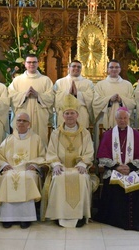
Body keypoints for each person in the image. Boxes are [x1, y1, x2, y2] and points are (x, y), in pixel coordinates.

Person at [41, 94, 98, 228]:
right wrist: (55, 164)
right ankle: (59, 215)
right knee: (58, 178)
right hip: (61, 167)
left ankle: (80, 216)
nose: (70, 116)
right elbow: (51, 152)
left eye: (72, 113)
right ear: (63, 115)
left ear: (77, 115)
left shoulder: (85, 133)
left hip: (79, 168)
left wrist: (83, 163)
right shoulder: (56, 133)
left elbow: (89, 152)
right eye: (67, 113)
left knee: (83, 178)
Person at [95, 107, 139, 231]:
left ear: (128, 119)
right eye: (120, 118)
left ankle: (135, 220)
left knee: (138, 182)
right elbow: (103, 155)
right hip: (113, 169)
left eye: (125, 118)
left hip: (133, 169)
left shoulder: (136, 134)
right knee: (113, 184)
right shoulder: (108, 135)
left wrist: (130, 167)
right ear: (115, 119)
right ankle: (115, 219)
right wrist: (117, 167)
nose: (122, 120)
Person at [0, 112, 46, 229]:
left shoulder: (36, 139)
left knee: (28, 177)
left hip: (29, 170)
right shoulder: (8, 139)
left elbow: (42, 156)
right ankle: (7, 217)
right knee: (8, 177)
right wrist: (4, 165)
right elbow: (0, 156)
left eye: (24, 121)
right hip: (11, 169)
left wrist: (35, 165)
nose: (21, 123)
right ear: (15, 123)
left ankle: (26, 218)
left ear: (29, 124)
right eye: (19, 120)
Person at [8, 54, 54, 147]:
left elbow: (51, 98)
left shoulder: (45, 80)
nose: (31, 64)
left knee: (40, 141)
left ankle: (40, 160)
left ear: (38, 64)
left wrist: (38, 95)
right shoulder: (17, 80)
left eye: (34, 62)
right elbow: (11, 96)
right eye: (29, 62)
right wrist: (24, 95)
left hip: (39, 117)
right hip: (23, 114)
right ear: (25, 64)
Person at [93, 59, 136, 129]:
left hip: (123, 119)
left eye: (116, 67)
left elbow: (132, 103)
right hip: (105, 119)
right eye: (111, 67)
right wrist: (109, 100)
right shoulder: (100, 85)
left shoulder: (127, 85)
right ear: (108, 69)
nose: (114, 69)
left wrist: (121, 101)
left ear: (120, 69)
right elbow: (96, 102)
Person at [53, 60, 94, 129]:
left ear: (81, 69)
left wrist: (78, 94)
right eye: (74, 66)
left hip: (81, 113)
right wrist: (67, 93)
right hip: (64, 113)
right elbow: (54, 98)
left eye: (79, 67)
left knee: (81, 137)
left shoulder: (88, 83)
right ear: (69, 68)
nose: (76, 68)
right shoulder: (60, 82)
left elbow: (91, 98)